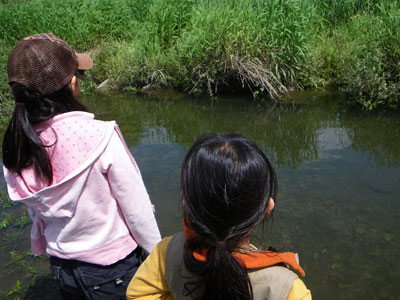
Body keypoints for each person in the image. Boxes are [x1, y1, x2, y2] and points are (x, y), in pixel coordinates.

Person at [2, 33, 161, 299]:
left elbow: (38, 210)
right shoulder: (101, 135)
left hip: (63, 266)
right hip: (113, 269)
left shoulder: (19, 145)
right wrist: (157, 255)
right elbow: (137, 208)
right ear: (71, 83)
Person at [126, 133, 311, 300]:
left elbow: (138, 294)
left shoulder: (168, 251)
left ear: (185, 201)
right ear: (266, 209)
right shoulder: (289, 290)